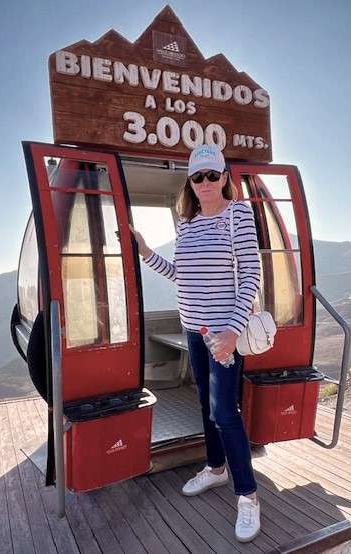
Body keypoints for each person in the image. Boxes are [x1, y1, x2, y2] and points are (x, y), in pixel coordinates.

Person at [129, 144, 261, 542]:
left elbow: (252, 276)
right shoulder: (185, 224)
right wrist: (147, 252)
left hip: (225, 335)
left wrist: (233, 332)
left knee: (225, 412)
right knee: (206, 403)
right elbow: (180, 274)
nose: (205, 183)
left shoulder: (238, 214)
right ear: (191, 181)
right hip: (194, 330)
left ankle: (249, 499)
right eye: (198, 176)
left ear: (224, 177)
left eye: (212, 175)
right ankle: (215, 468)